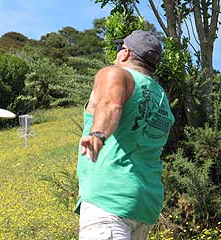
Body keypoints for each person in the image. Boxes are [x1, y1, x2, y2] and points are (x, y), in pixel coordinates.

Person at [75, 30, 175, 240]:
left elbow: (111, 104)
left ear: (125, 53)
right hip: (145, 205)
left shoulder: (116, 74)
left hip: (110, 198)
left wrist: (99, 134)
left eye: (118, 48)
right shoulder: (161, 97)